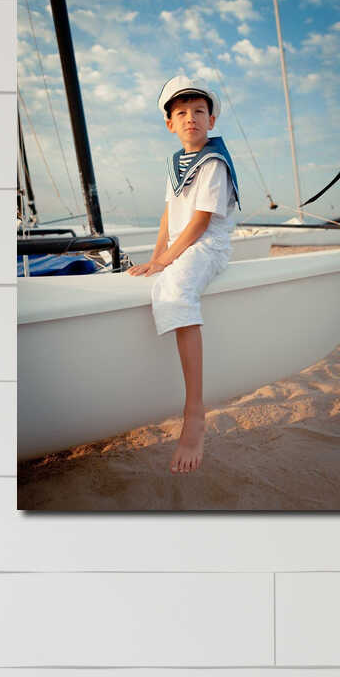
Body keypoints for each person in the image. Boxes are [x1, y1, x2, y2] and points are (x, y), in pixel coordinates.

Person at [128, 75, 239, 473]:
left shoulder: (212, 163)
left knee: (174, 291)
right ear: (169, 124)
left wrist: (165, 264)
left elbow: (198, 224)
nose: (190, 118)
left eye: (198, 111)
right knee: (145, 278)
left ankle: (194, 413)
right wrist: (153, 258)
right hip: (183, 245)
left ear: (211, 120)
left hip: (207, 245)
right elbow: (167, 220)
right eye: (181, 113)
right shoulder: (176, 165)